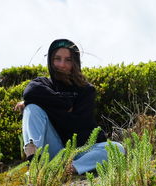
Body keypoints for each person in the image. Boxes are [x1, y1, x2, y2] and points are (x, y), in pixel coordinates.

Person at [14, 38, 124, 175]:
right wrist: (65, 105)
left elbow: (77, 123)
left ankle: (67, 169)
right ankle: (35, 163)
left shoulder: (86, 90)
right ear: (50, 60)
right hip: (53, 148)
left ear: (75, 62)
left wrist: (45, 103)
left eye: (68, 60)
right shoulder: (43, 83)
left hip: (80, 151)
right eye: (57, 59)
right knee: (32, 109)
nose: (62, 65)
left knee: (117, 148)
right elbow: (30, 92)